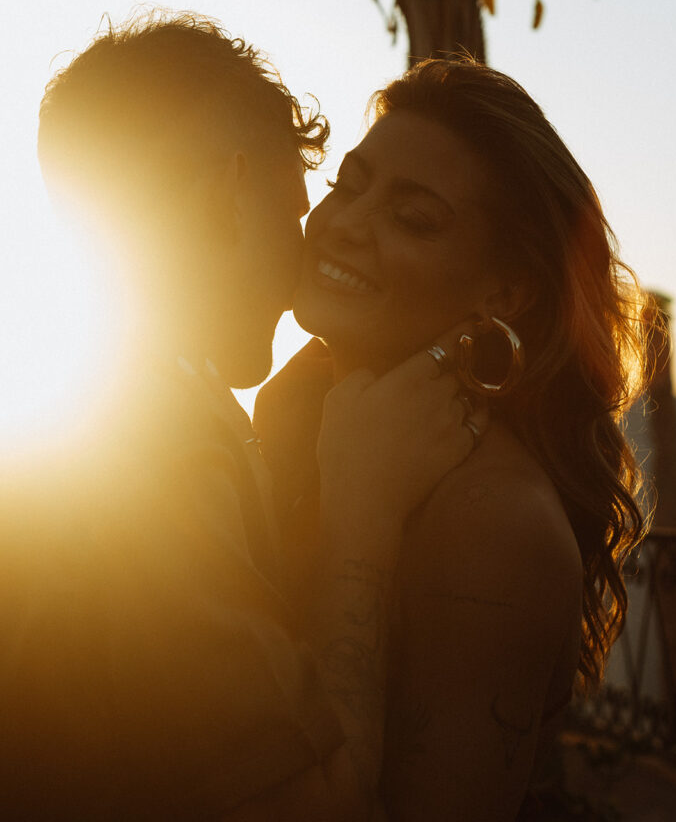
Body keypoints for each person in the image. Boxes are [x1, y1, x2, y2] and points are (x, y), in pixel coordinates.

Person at [0, 15, 484, 820]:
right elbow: (320, 807)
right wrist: (362, 516)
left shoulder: (112, 415)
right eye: (295, 210)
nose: (307, 245)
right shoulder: (155, 458)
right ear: (230, 191)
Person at [253, 57, 653, 820]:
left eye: (413, 219)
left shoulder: (492, 521)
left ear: (502, 292)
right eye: (348, 183)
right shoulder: (301, 404)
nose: (344, 223)